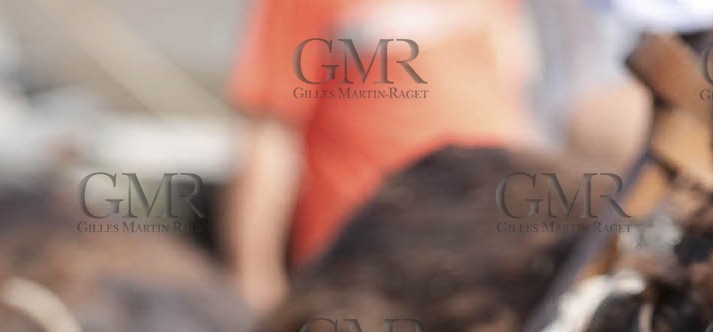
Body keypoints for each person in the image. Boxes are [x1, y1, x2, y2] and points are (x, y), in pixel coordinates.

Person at [222, 0, 533, 310]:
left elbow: (509, 103)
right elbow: (272, 131)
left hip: (475, 265)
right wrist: (255, 275)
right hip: (360, 270)